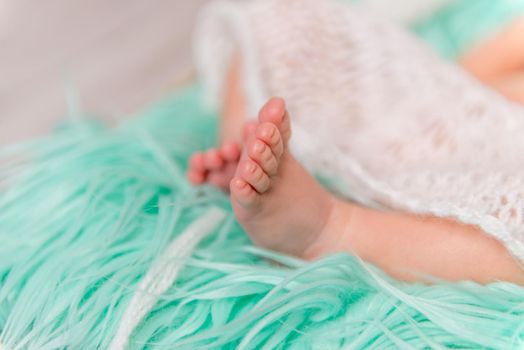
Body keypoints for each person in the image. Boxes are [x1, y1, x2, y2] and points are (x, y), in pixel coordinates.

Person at [187, 0, 524, 284]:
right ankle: (240, 137)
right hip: (463, 116)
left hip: (506, 171)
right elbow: (483, 66)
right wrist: (436, 97)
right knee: (290, 14)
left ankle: (330, 228)